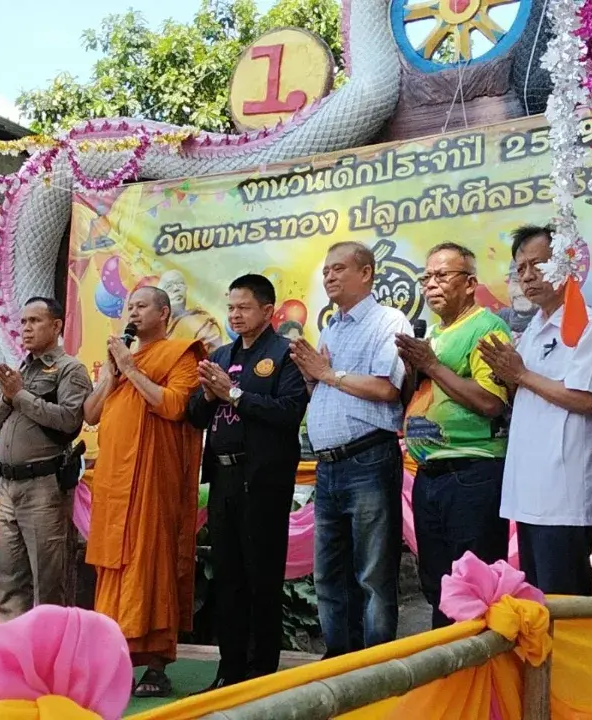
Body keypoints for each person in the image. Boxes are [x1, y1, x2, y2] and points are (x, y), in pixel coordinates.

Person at [185, 274, 308, 690]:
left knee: (261, 576)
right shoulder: (222, 354)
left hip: (263, 480)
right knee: (228, 577)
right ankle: (229, 669)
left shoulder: (285, 354)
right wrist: (208, 394)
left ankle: (260, 672)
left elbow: (288, 412)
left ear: (268, 311)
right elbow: (195, 415)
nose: (235, 315)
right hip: (223, 478)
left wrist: (233, 394)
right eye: (231, 307)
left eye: (244, 307)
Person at [290, 241, 411, 657]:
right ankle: (338, 663)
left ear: (366, 273)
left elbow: (387, 388)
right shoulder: (331, 328)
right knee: (329, 574)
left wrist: (326, 373)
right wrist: (312, 379)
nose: (330, 277)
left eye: (339, 268)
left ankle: (375, 667)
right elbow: (327, 387)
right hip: (328, 466)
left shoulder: (388, 321)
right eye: (326, 270)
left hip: (368, 459)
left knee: (372, 575)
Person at [83, 286, 205, 698]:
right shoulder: (122, 359)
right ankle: (112, 660)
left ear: (164, 313)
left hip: (152, 480)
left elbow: (174, 406)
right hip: (114, 482)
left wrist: (131, 370)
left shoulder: (181, 354)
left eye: (141, 306)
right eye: (129, 307)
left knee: (150, 562)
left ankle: (155, 666)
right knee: (113, 566)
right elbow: (91, 414)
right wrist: (112, 374)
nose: (132, 313)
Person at [482, 226, 592, 596]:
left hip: (564, 490)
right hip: (529, 487)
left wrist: (521, 375)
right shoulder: (533, 328)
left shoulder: (588, 324)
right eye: (521, 268)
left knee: (565, 599)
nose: (527, 276)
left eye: (538, 265)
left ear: (567, 265)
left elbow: (587, 400)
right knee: (538, 600)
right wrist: (507, 376)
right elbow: (527, 392)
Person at [396, 243, 511, 628]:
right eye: (426, 277)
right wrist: (414, 369)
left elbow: (491, 402)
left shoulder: (487, 328)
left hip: (472, 471)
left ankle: (478, 664)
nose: (431, 284)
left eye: (442, 275)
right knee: (438, 586)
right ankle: (446, 662)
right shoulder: (433, 334)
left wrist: (431, 364)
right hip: (429, 474)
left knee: (474, 586)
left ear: (470, 283)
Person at [0, 297, 92, 622]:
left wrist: (20, 395)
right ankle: (13, 648)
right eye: (23, 322)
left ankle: (51, 649)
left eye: (35, 321)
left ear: (56, 326)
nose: (26, 329)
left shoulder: (70, 369)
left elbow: (69, 421)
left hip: (45, 487)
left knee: (48, 583)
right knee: (9, 580)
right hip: (8, 486)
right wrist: (9, 397)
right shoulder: (20, 370)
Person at [161, 269, 225, 353]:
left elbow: (212, 354)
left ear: (186, 289)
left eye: (180, 284)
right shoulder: (155, 330)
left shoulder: (203, 322)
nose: (176, 289)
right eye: (169, 286)